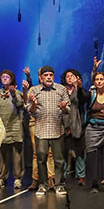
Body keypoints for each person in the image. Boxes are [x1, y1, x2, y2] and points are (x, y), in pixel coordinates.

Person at [26, 65, 71, 197]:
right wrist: (34, 104)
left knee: (59, 160)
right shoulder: (35, 90)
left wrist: (63, 107)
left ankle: (59, 184)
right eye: (46, 75)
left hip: (57, 129)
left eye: (51, 75)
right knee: (41, 158)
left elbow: (68, 108)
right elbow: (30, 109)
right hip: (41, 129)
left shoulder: (61, 89)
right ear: (40, 77)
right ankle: (43, 184)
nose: (49, 77)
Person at [22, 67, 56, 192]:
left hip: (49, 122)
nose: (46, 77)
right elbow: (26, 105)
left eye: (50, 75)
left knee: (50, 152)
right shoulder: (34, 89)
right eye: (43, 75)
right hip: (35, 123)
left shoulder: (55, 89)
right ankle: (36, 179)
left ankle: (51, 178)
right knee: (37, 153)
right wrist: (25, 91)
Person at [0, 70, 24, 190]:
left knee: (17, 154)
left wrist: (13, 95)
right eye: (3, 77)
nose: (5, 78)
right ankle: (1, 178)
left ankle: (17, 178)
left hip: (15, 126)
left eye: (7, 77)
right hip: (1, 126)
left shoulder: (17, 92)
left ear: (12, 79)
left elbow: (20, 104)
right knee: (1, 154)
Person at [61, 68, 89, 186]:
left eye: (72, 76)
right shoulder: (61, 90)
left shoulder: (80, 90)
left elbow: (85, 99)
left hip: (78, 123)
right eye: (68, 76)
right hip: (64, 123)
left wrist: (78, 87)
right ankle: (61, 176)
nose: (70, 78)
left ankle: (81, 175)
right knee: (63, 151)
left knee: (79, 151)